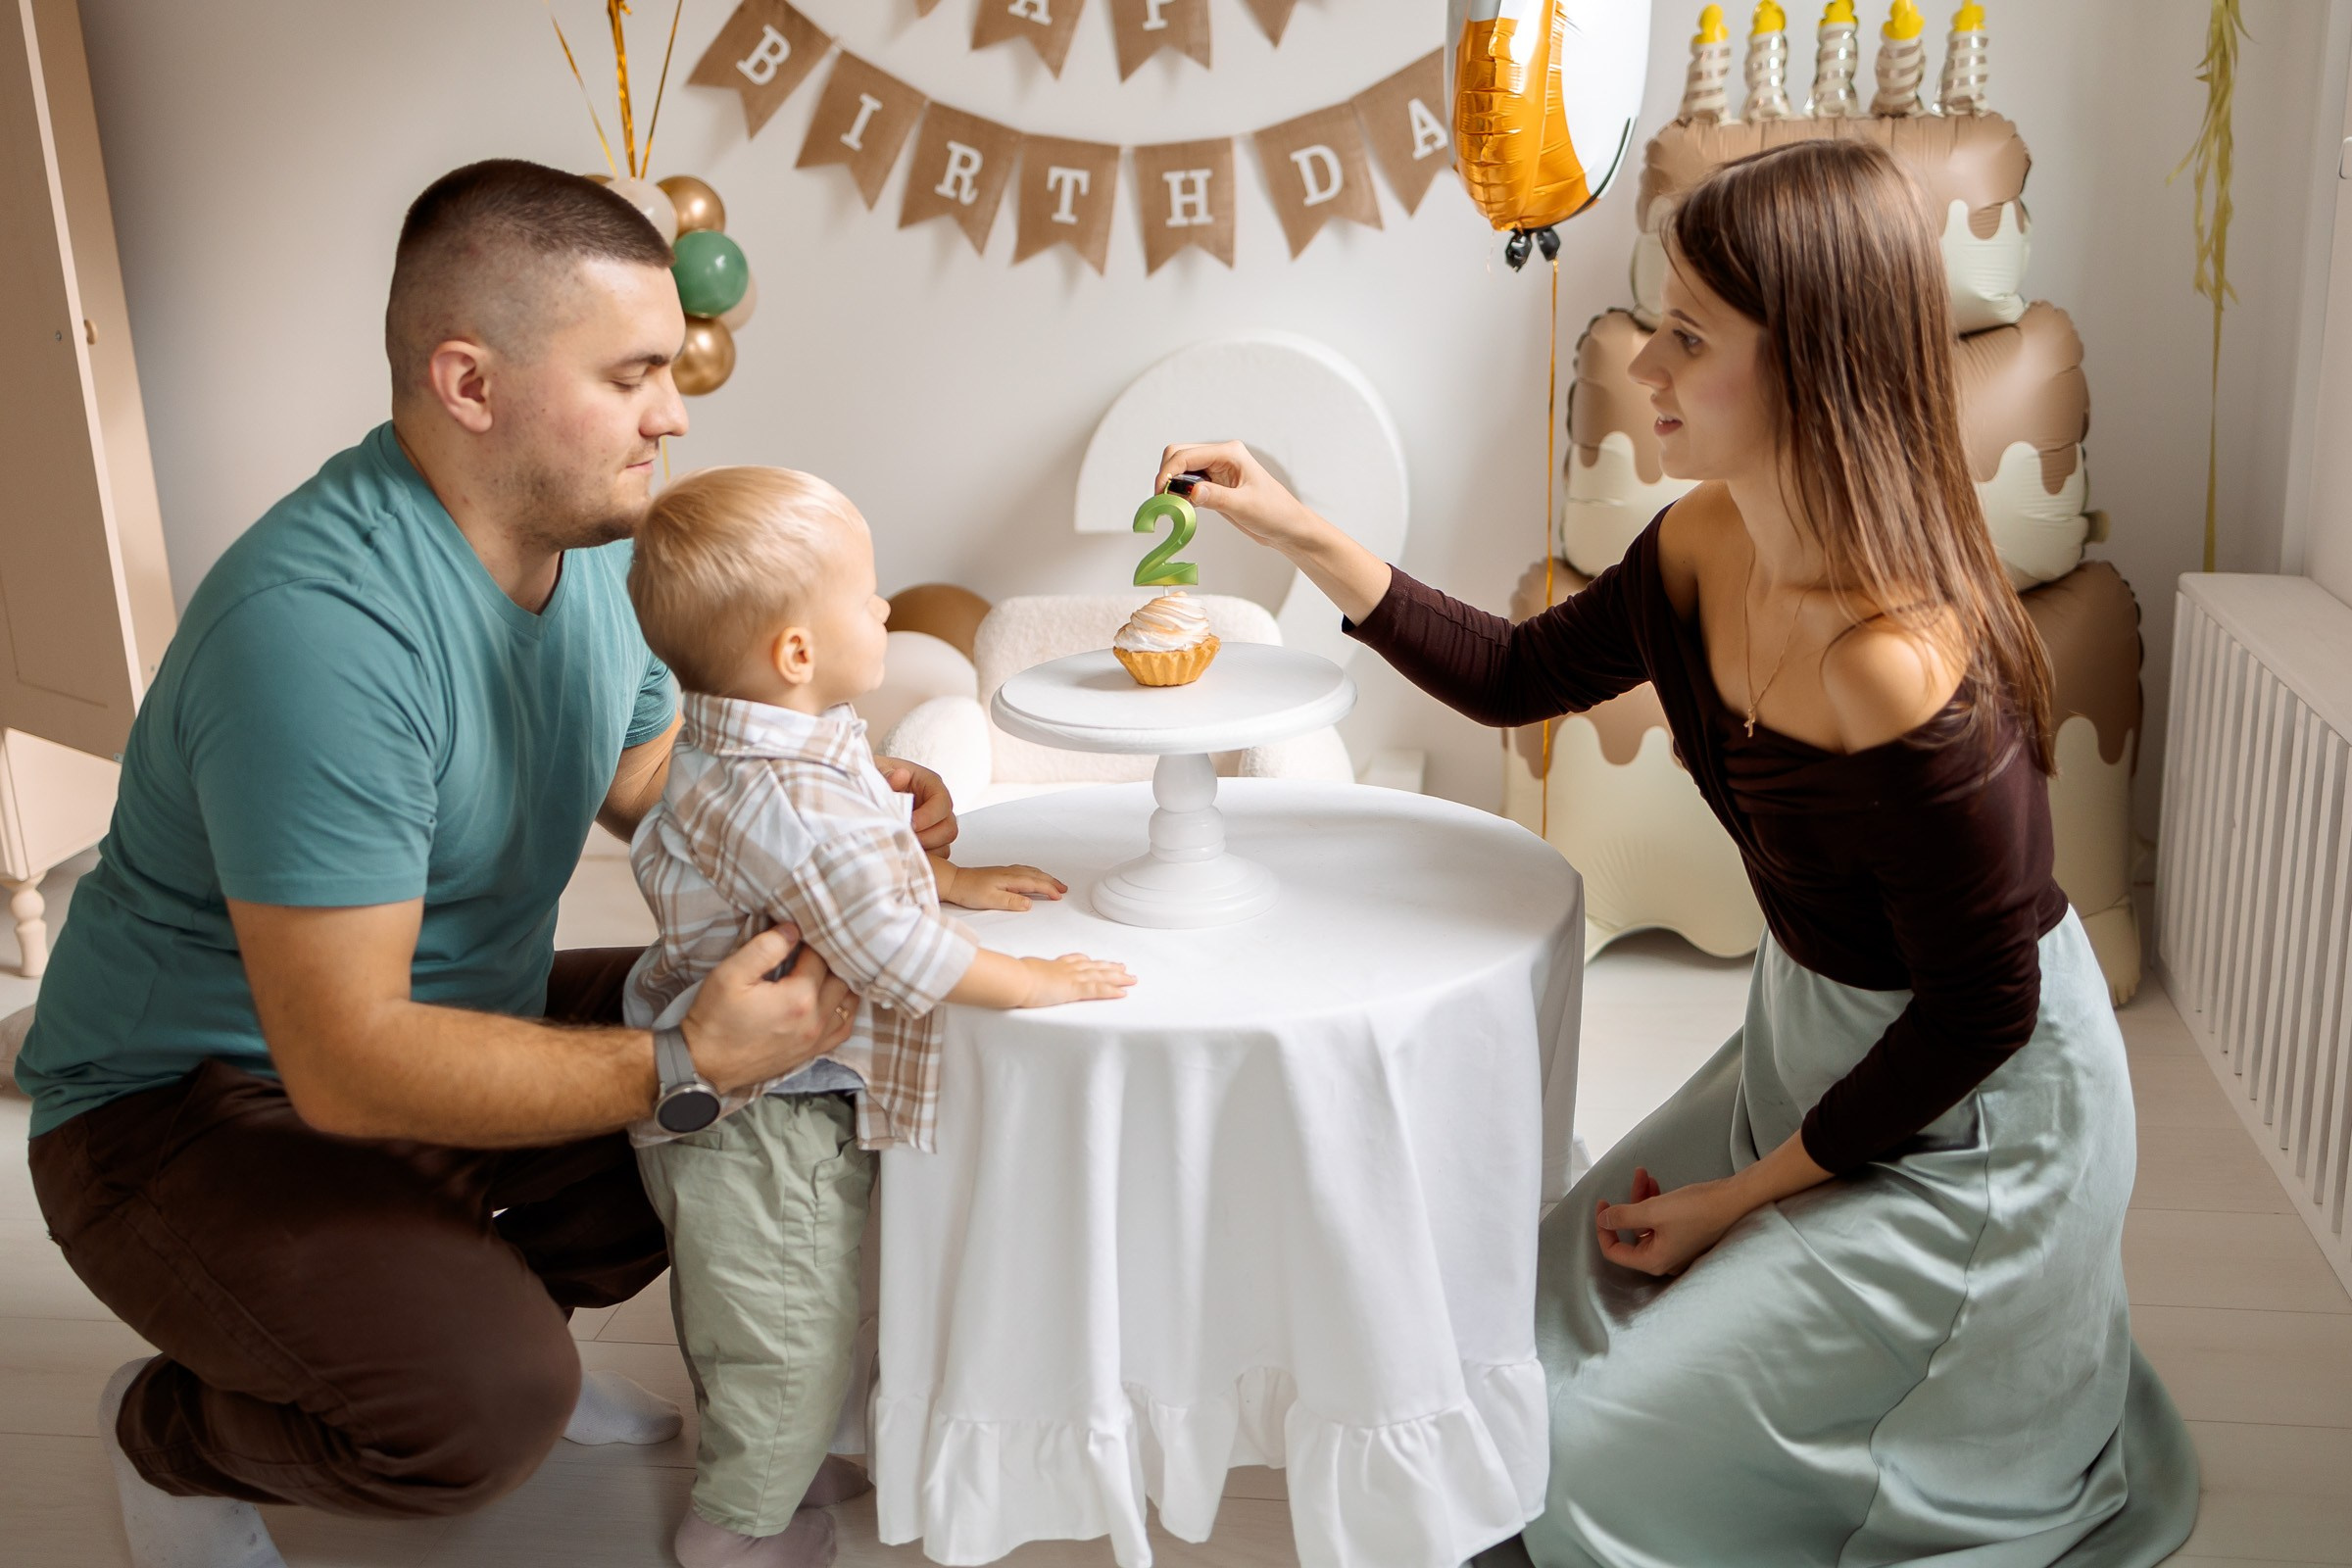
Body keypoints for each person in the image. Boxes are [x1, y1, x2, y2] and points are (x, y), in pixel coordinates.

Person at [1156, 140, 2199, 1566]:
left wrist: (1740, 1198)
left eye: (1690, 338)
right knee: (1512, 1329)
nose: (1644, 366)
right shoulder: (1704, 539)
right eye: (1659, 322)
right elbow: (1517, 671)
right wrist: (1299, 528)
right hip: (1816, 1046)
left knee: (1586, 1460)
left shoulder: (1895, 663)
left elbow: (1983, 1010)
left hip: (1968, 1125)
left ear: (1812, 369)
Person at [13, 161, 959, 1568]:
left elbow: (647, 778)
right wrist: (689, 1063)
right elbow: (343, 1060)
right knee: (479, 1410)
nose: (675, 412)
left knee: (785, 1049)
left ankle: (494, 1293)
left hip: (432, 1026)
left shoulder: (587, 554)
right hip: (188, 1111)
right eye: (633, 373)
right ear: (471, 384)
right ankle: (174, 1434)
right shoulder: (321, 634)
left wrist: (828, 805)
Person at [622, 466, 1134, 1568]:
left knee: (796, 1299)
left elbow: (843, 873)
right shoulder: (788, 793)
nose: (889, 610)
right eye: (868, 597)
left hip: (769, 1097)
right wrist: (1036, 979)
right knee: (781, 1330)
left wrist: (951, 875)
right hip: (761, 1120)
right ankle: (737, 1524)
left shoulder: (776, 734)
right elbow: (895, 950)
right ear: (795, 653)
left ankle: (787, 1456)